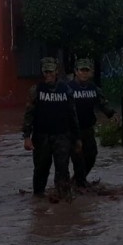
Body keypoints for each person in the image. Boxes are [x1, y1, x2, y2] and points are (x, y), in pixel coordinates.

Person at [22, 57, 81, 200]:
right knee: (41, 169)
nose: (48, 75)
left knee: (62, 169)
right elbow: (28, 115)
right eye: (45, 72)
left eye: (50, 72)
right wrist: (27, 137)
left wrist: (77, 138)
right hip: (42, 137)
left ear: (56, 72)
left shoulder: (66, 89)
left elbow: (72, 115)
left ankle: (63, 201)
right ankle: (38, 201)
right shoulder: (36, 90)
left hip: (62, 136)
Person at [68, 58, 116, 187]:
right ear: (76, 72)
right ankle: (79, 184)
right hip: (73, 130)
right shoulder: (68, 88)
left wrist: (112, 114)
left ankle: (78, 180)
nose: (84, 73)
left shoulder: (93, 88)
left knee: (91, 155)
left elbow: (103, 103)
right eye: (81, 70)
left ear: (90, 72)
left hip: (88, 128)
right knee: (77, 157)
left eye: (86, 71)